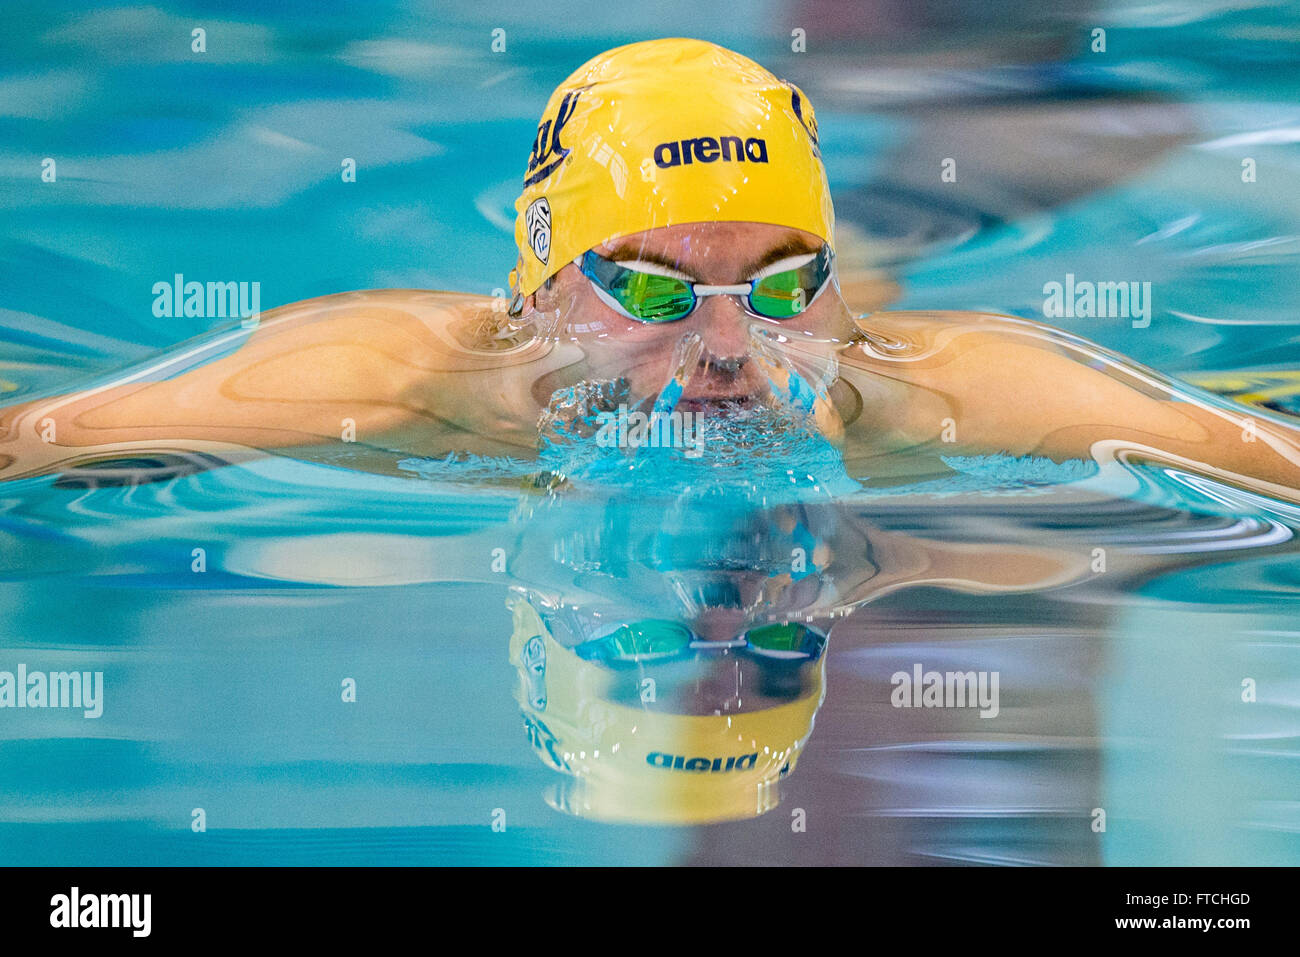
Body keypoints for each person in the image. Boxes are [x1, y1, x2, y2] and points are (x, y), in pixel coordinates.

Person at [3, 37, 1300, 503]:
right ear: (538, 284)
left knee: (964, 189)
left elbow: (1263, 460)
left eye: (787, 284)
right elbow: (39, 437)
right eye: (658, 291)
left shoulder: (946, 391)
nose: (728, 352)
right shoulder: (385, 376)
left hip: (908, 267)